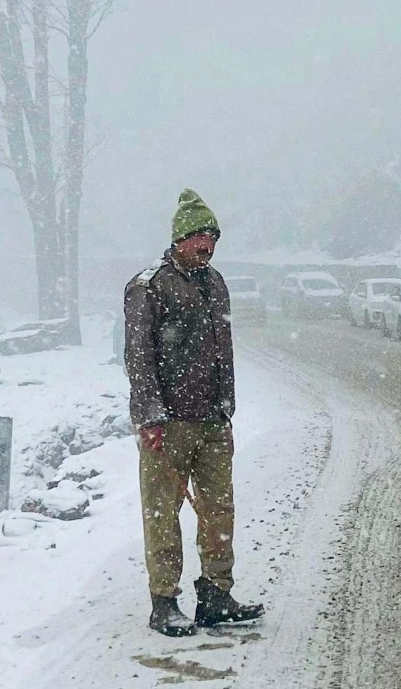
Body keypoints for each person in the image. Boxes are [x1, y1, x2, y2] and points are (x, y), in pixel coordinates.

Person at [124, 189, 265, 636]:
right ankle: (163, 602)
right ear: (179, 238)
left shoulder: (216, 282)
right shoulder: (148, 285)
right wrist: (149, 417)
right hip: (168, 424)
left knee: (218, 511)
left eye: (213, 238)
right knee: (163, 515)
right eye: (200, 236)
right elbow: (138, 355)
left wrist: (227, 409)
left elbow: (223, 350)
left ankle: (215, 596)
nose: (207, 245)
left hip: (212, 421)